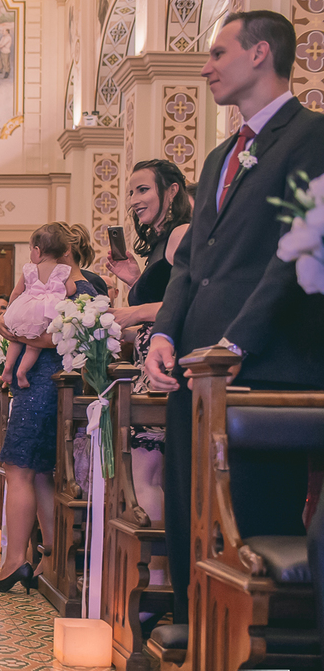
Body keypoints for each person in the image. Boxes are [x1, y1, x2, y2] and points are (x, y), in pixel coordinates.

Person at [145, 10, 324, 625]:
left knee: (247, 521)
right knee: (188, 508)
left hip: (261, 372)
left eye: (218, 52)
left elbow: (293, 255)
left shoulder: (312, 138)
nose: (205, 66)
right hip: (195, 371)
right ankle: (196, 648)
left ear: (261, 53)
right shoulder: (221, 154)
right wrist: (165, 333)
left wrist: (233, 344)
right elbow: (191, 265)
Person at [0, 227, 98, 592]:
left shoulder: (82, 287)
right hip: (43, 383)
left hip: (45, 385)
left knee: (18, 467)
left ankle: (15, 560)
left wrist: (11, 333)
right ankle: (49, 558)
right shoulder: (71, 284)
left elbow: (59, 337)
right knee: (38, 474)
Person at [105, 159, 192, 524]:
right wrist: (133, 279)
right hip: (146, 368)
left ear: (171, 190)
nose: (133, 200)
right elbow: (163, 296)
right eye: (130, 192)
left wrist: (134, 313)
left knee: (148, 474)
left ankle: (156, 572)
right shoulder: (158, 243)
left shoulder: (181, 233)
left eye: (143, 190)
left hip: (165, 369)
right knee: (145, 473)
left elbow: (190, 301)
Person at [0, 225, 79, 389]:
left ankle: (7, 368)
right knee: (34, 344)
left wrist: (10, 311)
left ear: (38, 251)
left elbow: (16, 292)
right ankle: (22, 372)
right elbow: (71, 289)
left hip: (26, 308)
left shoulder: (30, 269)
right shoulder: (62, 270)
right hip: (48, 311)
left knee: (16, 336)